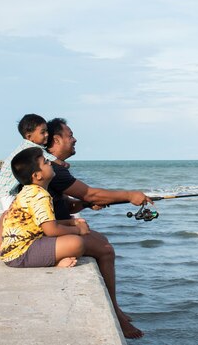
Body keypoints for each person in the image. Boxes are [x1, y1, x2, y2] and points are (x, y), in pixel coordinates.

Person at [45, 117, 152, 340]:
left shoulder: (54, 169)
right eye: (70, 135)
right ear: (56, 139)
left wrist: (83, 204)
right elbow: (90, 193)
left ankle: (116, 307)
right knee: (106, 249)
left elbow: (67, 201)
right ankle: (116, 312)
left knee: (101, 238)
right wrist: (130, 195)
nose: (74, 139)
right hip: (52, 230)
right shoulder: (54, 169)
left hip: (59, 223)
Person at [0, 147, 88, 269]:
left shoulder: (28, 191)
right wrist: (79, 230)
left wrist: (71, 222)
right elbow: (51, 230)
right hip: (21, 254)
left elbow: (44, 223)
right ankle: (54, 262)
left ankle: (52, 259)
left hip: (15, 250)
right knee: (76, 243)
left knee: (72, 240)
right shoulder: (40, 195)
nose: (50, 163)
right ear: (37, 175)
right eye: (45, 162)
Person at [0, 114, 65, 257]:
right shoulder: (33, 148)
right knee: (7, 218)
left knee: (6, 218)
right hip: (8, 193)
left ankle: (0, 247)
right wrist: (64, 164)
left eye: (47, 131)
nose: (47, 135)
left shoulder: (24, 146)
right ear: (29, 136)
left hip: (2, 192)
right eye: (43, 132)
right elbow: (57, 162)